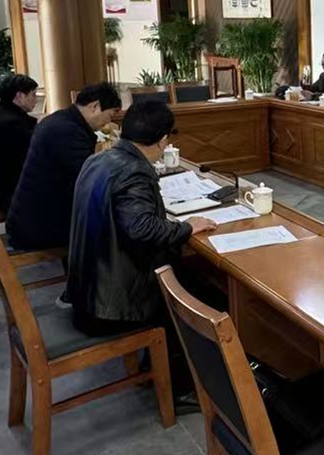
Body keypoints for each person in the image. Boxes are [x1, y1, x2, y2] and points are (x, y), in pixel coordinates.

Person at [67, 100, 217, 403]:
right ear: (162, 141)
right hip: (110, 306)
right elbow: (142, 228)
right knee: (196, 297)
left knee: (191, 277)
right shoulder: (134, 170)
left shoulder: (99, 159)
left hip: (86, 288)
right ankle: (179, 388)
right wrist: (187, 227)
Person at [7, 82, 121, 251]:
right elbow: (91, 181)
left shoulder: (62, 120)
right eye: (110, 115)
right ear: (95, 106)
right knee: (117, 227)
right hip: (40, 226)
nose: (108, 122)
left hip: (31, 215)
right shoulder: (67, 131)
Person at [0, 73, 39, 214]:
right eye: (33, 94)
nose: (36, 99)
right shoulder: (11, 124)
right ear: (20, 96)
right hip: (8, 195)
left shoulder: (0, 112)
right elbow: (34, 153)